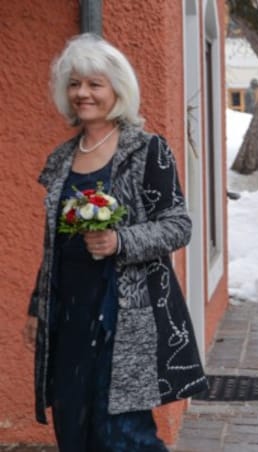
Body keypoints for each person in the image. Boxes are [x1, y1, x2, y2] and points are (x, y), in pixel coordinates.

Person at [22, 33, 207, 450]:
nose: (82, 93)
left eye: (94, 84)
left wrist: (120, 241)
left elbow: (179, 226)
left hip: (123, 315)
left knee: (124, 432)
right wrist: (38, 307)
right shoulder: (62, 158)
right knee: (72, 424)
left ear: (117, 90)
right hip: (68, 313)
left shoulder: (147, 150)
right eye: (74, 84)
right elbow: (53, 245)